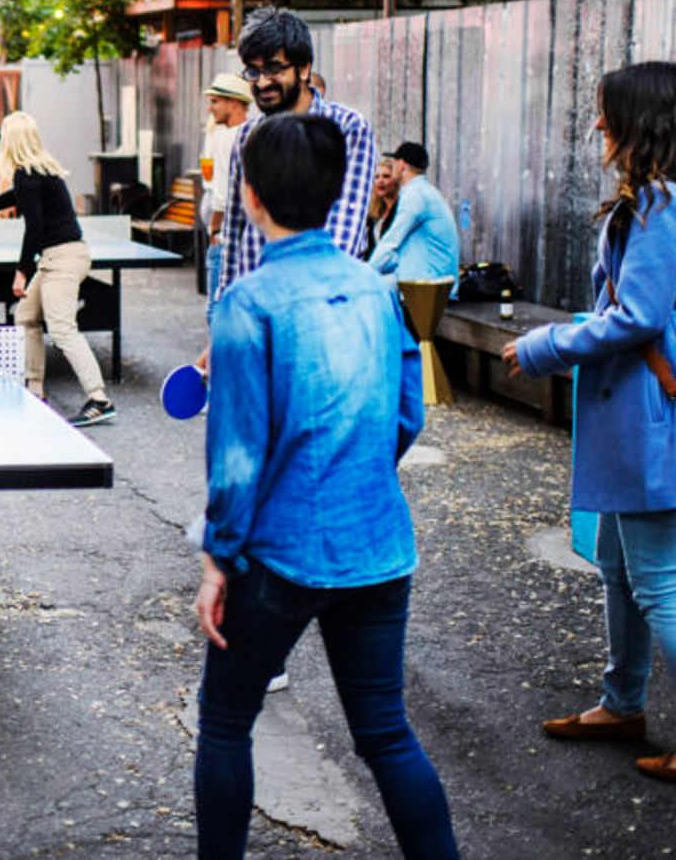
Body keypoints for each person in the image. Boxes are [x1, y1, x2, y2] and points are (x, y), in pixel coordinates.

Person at [194, 113, 458, 858]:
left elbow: (237, 456)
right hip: (380, 543)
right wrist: (358, 469)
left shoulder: (248, 302)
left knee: (224, 722)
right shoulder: (379, 292)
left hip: (280, 554)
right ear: (339, 188)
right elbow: (407, 413)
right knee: (386, 735)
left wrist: (218, 558)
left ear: (249, 194)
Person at [504, 61, 676, 791]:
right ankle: (623, 703)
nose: (598, 125)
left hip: (652, 422)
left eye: (608, 112)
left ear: (644, 121)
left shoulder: (664, 205)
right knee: (616, 564)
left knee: (662, 587)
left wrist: (543, 345)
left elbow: (636, 317)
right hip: (638, 422)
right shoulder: (668, 199)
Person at [212, 8, 376, 309]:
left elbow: (345, 233)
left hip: (320, 308)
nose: (262, 83)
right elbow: (234, 229)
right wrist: (223, 309)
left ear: (303, 68)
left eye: (274, 69)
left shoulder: (348, 129)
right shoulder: (248, 136)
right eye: (252, 71)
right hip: (251, 309)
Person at [0, 111, 114, 428]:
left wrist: (21, 271)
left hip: (62, 259)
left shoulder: (27, 174)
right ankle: (35, 388)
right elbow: (19, 198)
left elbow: (34, 227)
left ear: (11, 141)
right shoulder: (39, 171)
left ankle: (99, 399)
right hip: (57, 256)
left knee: (62, 328)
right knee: (26, 316)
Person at [367, 142, 460, 287]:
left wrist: (364, 274)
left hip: (429, 286)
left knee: (366, 292)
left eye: (395, 163)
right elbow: (400, 254)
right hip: (432, 278)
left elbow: (391, 242)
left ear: (402, 165)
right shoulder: (425, 192)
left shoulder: (415, 196)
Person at [199, 73, 253, 307]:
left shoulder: (227, 137)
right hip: (251, 237)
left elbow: (221, 198)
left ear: (234, 103)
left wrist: (214, 231)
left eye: (215, 101)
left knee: (217, 308)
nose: (211, 108)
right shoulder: (255, 132)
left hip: (226, 235)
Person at [365, 155, 401, 260]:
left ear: (396, 180)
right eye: (377, 177)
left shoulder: (401, 209)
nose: (380, 181)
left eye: (386, 176)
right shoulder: (374, 214)